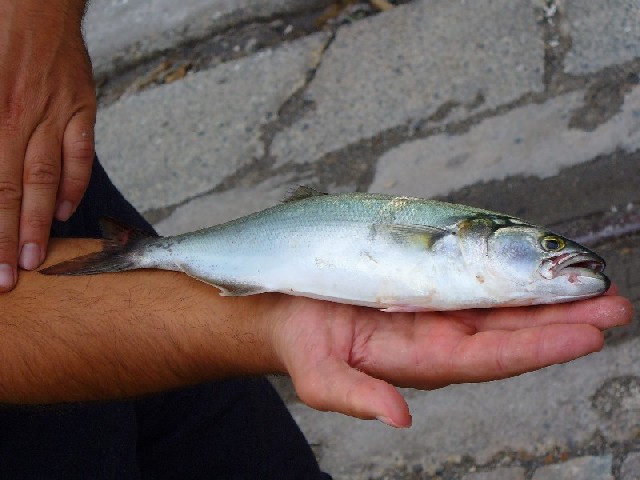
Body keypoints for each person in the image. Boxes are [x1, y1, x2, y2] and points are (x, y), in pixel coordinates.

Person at [0, 1, 633, 478]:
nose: (559, 258)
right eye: (547, 248)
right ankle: (139, 254)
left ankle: (139, 254)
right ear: (470, 237)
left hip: (43, 164)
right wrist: (262, 327)